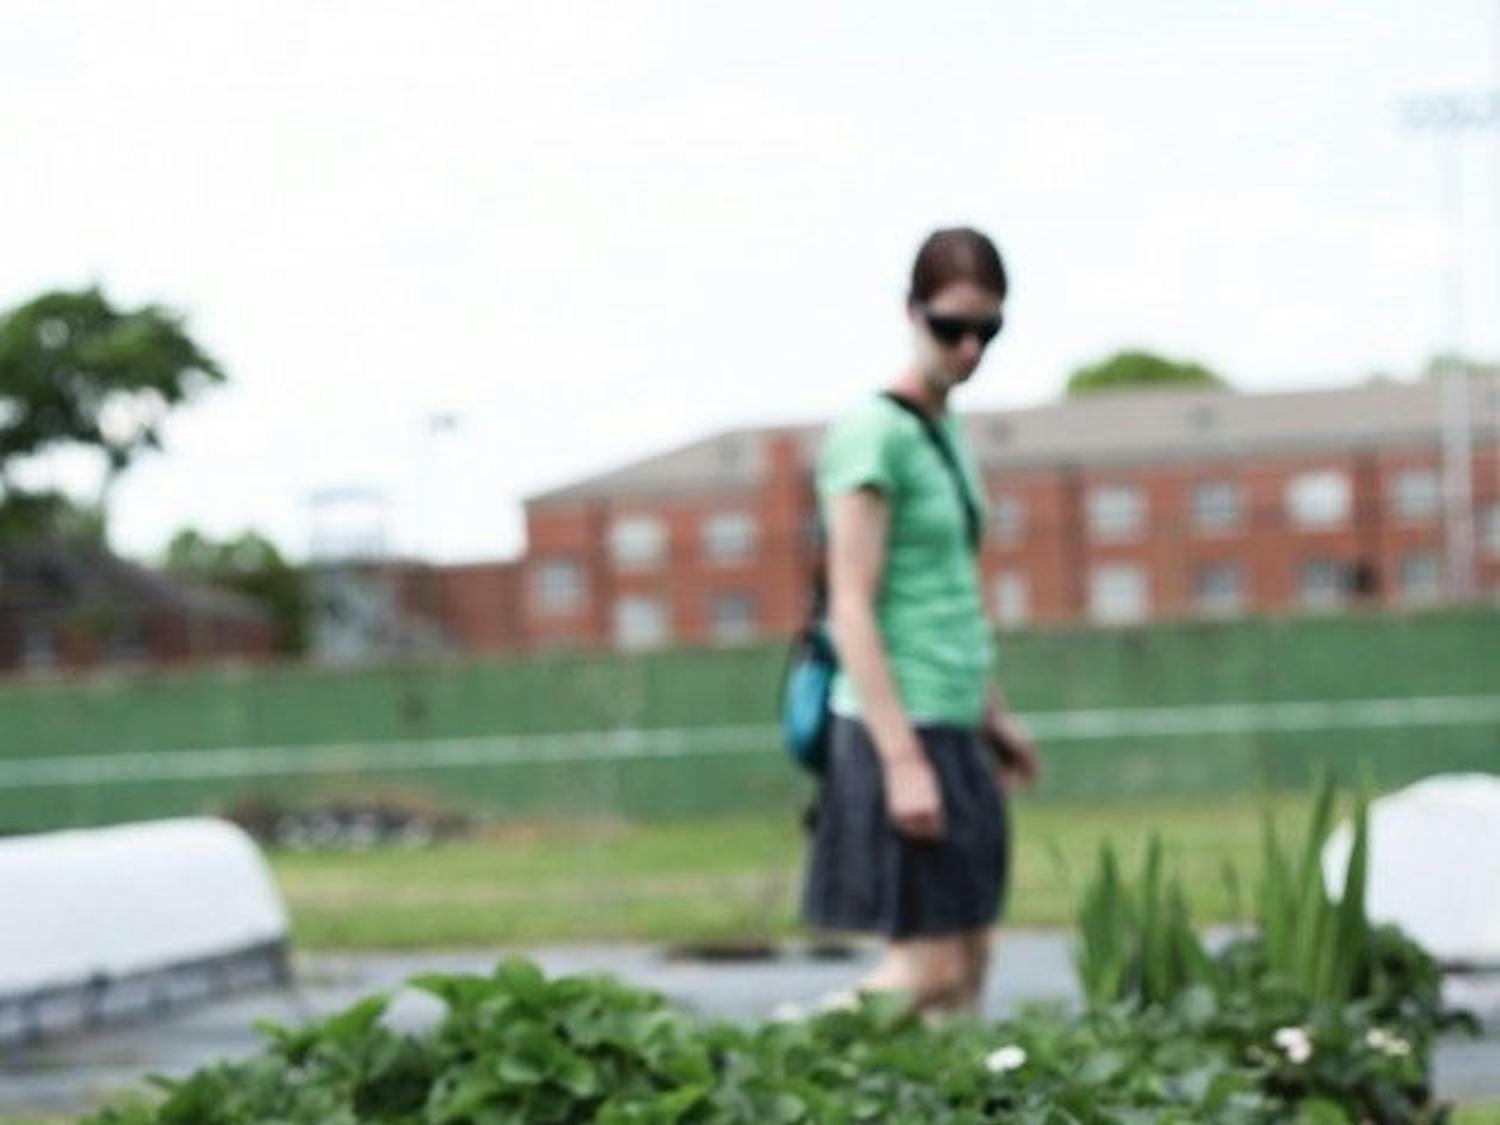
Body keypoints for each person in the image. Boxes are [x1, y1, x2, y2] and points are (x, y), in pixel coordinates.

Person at [800, 226, 1040, 1016]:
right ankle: (777, 1061)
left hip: (955, 714)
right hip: (899, 723)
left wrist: (994, 716)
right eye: (951, 326)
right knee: (926, 970)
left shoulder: (948, 432)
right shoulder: (873, 432)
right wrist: (902, 757)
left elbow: (951, 593)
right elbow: (850, 604)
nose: (970, 347)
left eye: (988, 331)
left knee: (969, 963)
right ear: (912, 312)